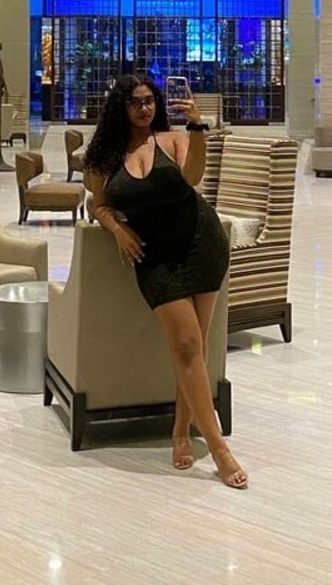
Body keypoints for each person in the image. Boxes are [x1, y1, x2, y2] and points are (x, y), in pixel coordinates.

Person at [84, 73, 247, 488]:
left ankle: (184, 433)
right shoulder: (103, 157)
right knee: (187, 345)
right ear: (120, 108)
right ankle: (219, 450)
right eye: (135, 102)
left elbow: (193, 177)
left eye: (149, 100)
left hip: (201, 242)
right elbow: (98, 205)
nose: (145, 108)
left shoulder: (172, 139)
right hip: (154, 256)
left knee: (193, 346)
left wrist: (196, 126)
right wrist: (118, 230)